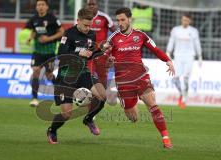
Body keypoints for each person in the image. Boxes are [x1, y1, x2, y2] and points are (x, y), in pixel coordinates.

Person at [102, 7, 175, 149]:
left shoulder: (140, 35)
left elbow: (155, 49)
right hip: (123, 81)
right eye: (118, 20)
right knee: (133, 118)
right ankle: (127, 100)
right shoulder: (113, 38)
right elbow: (105, 61)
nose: (120, 23)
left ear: (130, 19)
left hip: (141, 76)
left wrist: (168, 60)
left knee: (152, 104)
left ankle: (166, 138)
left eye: (122, 20)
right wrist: (108, 62)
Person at [46, 8, 107, 144]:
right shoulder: (68, 34)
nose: (87, 28)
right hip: (66, 75)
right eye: (85, 25)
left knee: (102, 96)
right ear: (78, 21)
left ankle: (89, 119)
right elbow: (61, 56)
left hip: (83, 73)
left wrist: (102, 52)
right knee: (66, 114)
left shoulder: (92, 35)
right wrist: (79, 53)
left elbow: (90, 55)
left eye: (90, 25)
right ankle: (52, 130)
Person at [27, 0, 64, 107]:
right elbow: (34, 31)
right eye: (39, 5)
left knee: (48, 75)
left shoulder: (52, 18)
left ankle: (59, 94)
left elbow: (62, 32)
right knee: (36, 71)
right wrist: (30, 38)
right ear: (36, 7)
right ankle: (34, 98)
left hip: (50, 51)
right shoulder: (34, 19)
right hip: (37, 51)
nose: (41, 7)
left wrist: (49, 38)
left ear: (47, 7)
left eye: (43, 5)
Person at [166, 14, 202, 108]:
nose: (184, 21)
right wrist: (168, 52)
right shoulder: (175, 30)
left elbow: (197, 43)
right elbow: (171, 41)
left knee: (186, 78)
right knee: (175, 78)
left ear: (190, 21)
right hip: (178, 56)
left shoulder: (194, 31)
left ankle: (184, 98)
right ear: (181, 20)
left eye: (186, 20)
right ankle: (182, 93)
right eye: (183, 20)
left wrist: (200, 56)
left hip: (190, 56)